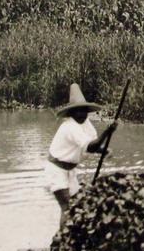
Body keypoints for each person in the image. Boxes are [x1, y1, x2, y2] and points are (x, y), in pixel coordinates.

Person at [46, 83, 117, 227]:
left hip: (70, 170)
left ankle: (69, 237)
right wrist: (107, 132)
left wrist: (104, 151)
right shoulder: (70, 126)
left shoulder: (85, 123)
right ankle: (62, 242)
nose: (82, 115)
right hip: (56, 170)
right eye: (78, 111)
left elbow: (91, 147)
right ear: (71, 113)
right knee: (66, 207)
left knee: (77, 203)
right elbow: (91, 145)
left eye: (84, 111)